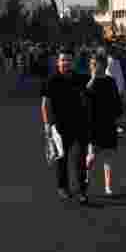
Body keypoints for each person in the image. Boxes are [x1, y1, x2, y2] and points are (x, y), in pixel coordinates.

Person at [40, 51, 90, 204]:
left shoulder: (80, 78)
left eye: (68, 60)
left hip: (79, 125)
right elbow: (45, 105)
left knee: (80, 159)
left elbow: (90, 93)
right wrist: (47, 125)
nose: (65, 63)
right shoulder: (51, 80)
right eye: (63, 60)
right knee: (61, 158)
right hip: (59, 126)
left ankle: (81, 191)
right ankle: (63, 187)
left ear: (73, 63)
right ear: (58, 62)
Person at [84, 54, 122, 196]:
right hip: (92, 123)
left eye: (96, 64)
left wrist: (119, 119)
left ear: (103, 65)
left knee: (108, 156)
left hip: (108, 122)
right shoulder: (88, 80)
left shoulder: (110, 81)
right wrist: (93, 78)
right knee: (92, 156)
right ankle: (85, 177)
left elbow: (116, 101)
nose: (93, 66)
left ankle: (108, 186)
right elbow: (84, 96)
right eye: (92, 64)